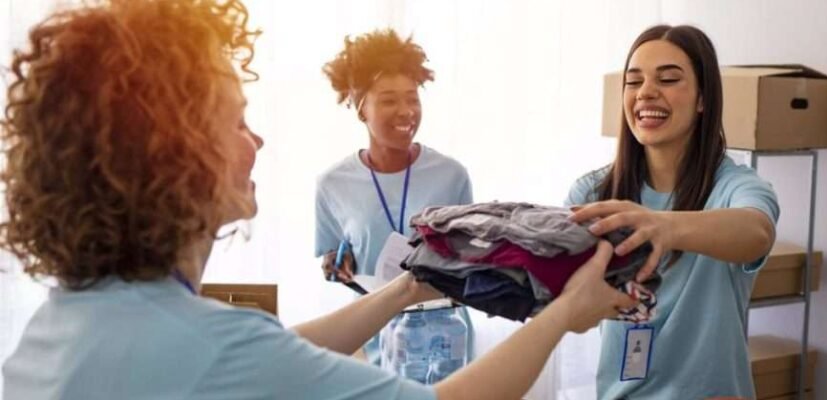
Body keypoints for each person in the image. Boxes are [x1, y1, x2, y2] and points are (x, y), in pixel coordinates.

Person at [0, 1, 636, 399]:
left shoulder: (64, 325)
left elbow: (277, 352)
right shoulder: (214, 347)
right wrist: (566, 312)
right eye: (235, 120)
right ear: (171, 152)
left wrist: (410, 286)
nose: (258, 139)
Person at [565, 25, 780, 400]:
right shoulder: (593, 192)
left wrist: (661, 225)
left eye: (667, 78)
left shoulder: (736, 186)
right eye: (634, 82)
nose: (646, 92)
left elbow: (756, 232)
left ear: (702, 99)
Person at [316, 29, 475, 364]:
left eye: (412, 98)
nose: (406, 111)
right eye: (389, 100)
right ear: (361, 109)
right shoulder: (332, 184)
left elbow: (469, 261)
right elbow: (331, 261)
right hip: (374, 342)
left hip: (444, 342)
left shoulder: (452, 175)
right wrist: (336, 266)